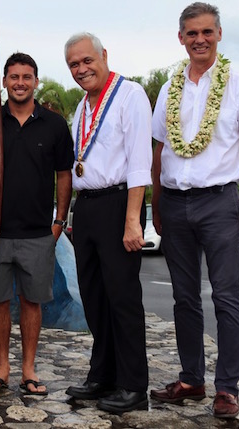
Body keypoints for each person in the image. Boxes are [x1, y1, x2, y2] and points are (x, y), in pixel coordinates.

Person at [150, 2, 239, 419]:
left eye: (206, 32)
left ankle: (227, 389)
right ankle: (191, 379)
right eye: (191, 33)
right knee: (184, 297)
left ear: (219, 34)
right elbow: (159, 150)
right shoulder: (169, 88)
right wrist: (156, 204)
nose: (199, 39)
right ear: (180, 38)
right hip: (174, 202)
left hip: (218, 202)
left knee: (226, 297)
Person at [62, 33, 152, 414]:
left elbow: (139, 161)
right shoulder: (82, 106)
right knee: (94, 296)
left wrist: (133, 219)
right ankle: (103, 375)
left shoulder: (130, 95)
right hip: (87, 207)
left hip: (119, 204)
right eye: (74, 64)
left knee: (122, 297)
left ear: (104, 55)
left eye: (87, 60)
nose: (81, 69)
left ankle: (133, 385)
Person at [0, 52, 74, 396]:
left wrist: (59, 222)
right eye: (14, 77)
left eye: (26, 77)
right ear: (4, 81)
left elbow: (64, 174)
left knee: (33, 303)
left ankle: (29, 369)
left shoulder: (54, 124)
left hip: (37, 232)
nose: (20, 83)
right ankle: (2, 366)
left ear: (36, 81)